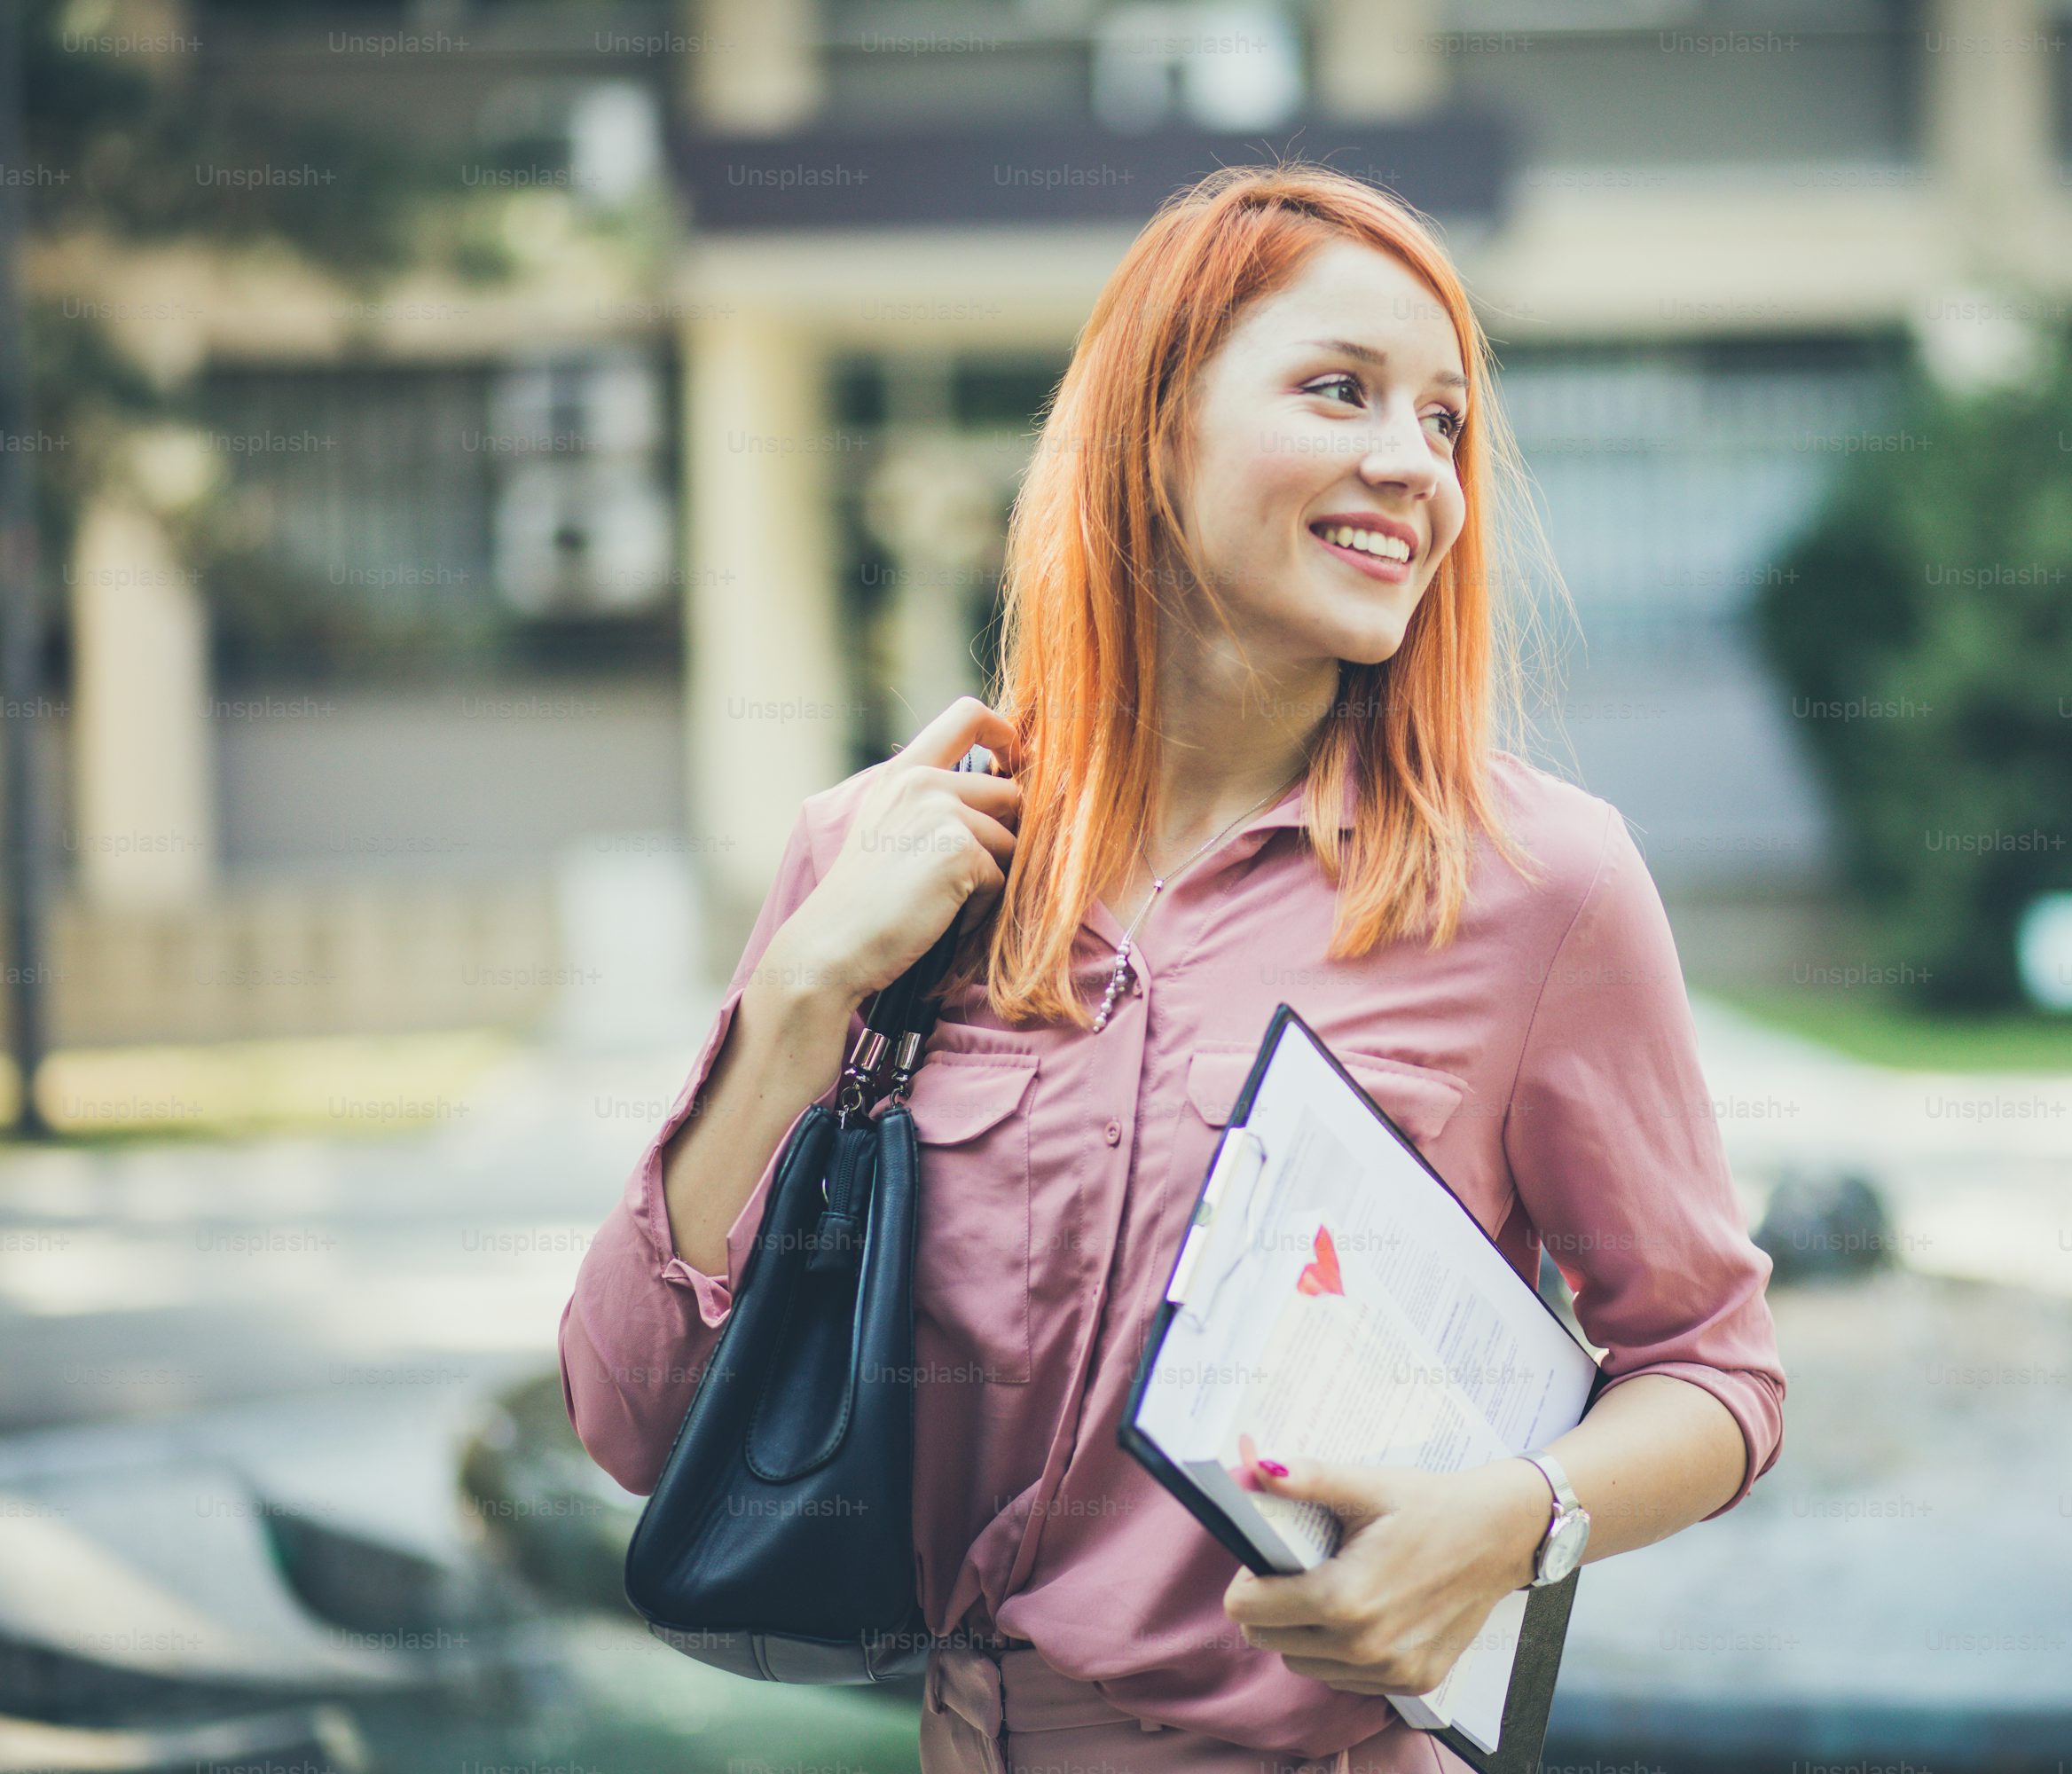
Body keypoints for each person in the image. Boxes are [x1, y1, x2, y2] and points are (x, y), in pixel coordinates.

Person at [558, 161, 1787, 1774]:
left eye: (1444, 423)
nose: (1411, 465)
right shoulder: (880, 860)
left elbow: (1715, 1370)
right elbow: (630, 1420)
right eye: (1340, 389)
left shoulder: (1540, 886)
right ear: (1153, 428)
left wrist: (1513, 1519)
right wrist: (803, 997)